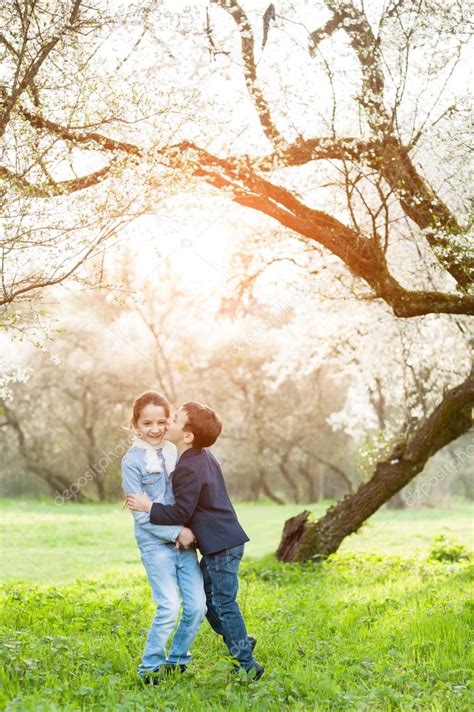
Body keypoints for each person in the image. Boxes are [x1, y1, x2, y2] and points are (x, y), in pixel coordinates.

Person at [127, 401, 264, 680]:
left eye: (173, 420)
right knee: (208, 602)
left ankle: (247, 664)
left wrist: (148, 507)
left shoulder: (187, 468)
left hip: (221, 546)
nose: (167, 424)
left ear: (187, 436)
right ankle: (239, 641)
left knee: (224, 604)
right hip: (222, 543)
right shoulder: (202, 456)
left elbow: (181, 511)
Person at [121, 390, 206, 684]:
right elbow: (141, 515)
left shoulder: (174, 451)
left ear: (169, 421)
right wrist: (177, 532)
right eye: (147, 424)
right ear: (136, 424)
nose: (155, 429)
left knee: (197, 606)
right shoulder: (132, 462)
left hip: (183, 544)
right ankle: (150, 668)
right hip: (156, 543)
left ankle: (178, 659)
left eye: (161, 422)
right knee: (169, 606)